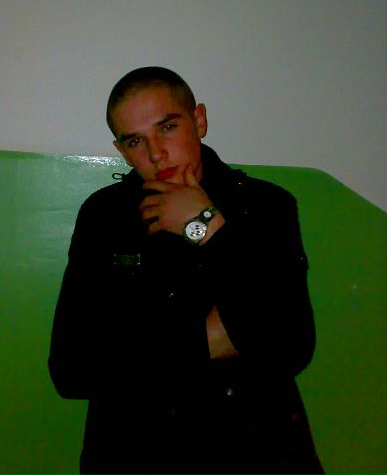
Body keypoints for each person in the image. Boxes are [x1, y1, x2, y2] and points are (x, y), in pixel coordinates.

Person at [49, 67, 325, 474]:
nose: (155, 153)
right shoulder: (103, 215)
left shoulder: (266, 206)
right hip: (132, 450)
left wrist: (206, 226)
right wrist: (211, 338)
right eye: (135, 140)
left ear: (199, 120)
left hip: (254, 448)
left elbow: (290, 344)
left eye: (167, 127)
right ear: (121, 150)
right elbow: (71, 368)